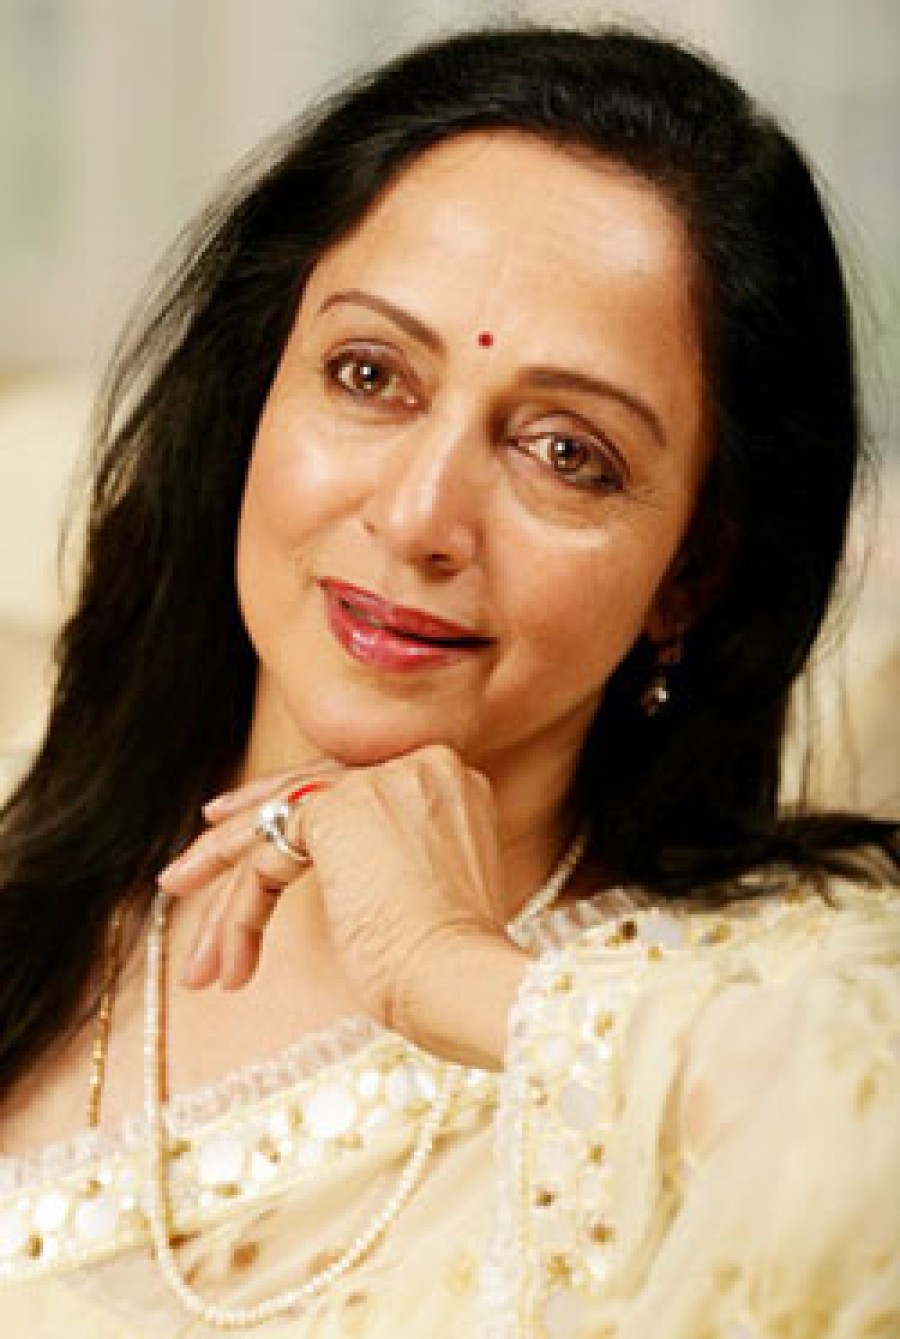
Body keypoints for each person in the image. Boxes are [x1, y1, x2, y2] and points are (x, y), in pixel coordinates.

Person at [0, 23, 898, 1338]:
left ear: (691, 573)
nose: (421, 515)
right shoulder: (28, 828)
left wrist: (468, 982)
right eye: (369, 376)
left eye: (566, 452)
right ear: (256, 395)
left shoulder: (797, 1002)